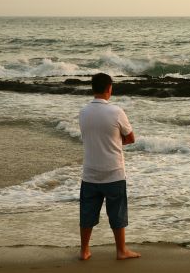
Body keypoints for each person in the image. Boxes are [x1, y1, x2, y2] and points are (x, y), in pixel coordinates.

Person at [78, 72, 141, 260]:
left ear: (92, 88)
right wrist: (113, 141)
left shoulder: (83, 112)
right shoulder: (116, 111)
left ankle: (84, 250)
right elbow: (130, 138)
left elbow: (89, 136)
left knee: (87, 213)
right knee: (117, 213)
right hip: (113, 172)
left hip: (90, 172)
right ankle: (121, 251)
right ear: (109, 89)